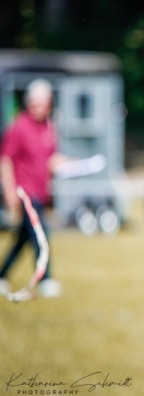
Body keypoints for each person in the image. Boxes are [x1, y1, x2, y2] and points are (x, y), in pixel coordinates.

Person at [0, 79, 64, 298]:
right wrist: (9, 191)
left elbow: (51, 160)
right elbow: (5, 160)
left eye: (45, 103)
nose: (42, 108)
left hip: (41, 191)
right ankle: (46, 279)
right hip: (24, 193)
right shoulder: (19, 127)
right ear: (30, 103)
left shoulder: (48, 127)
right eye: (37, 103)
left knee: (23, 238)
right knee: (40, 234)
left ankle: (1, 276)